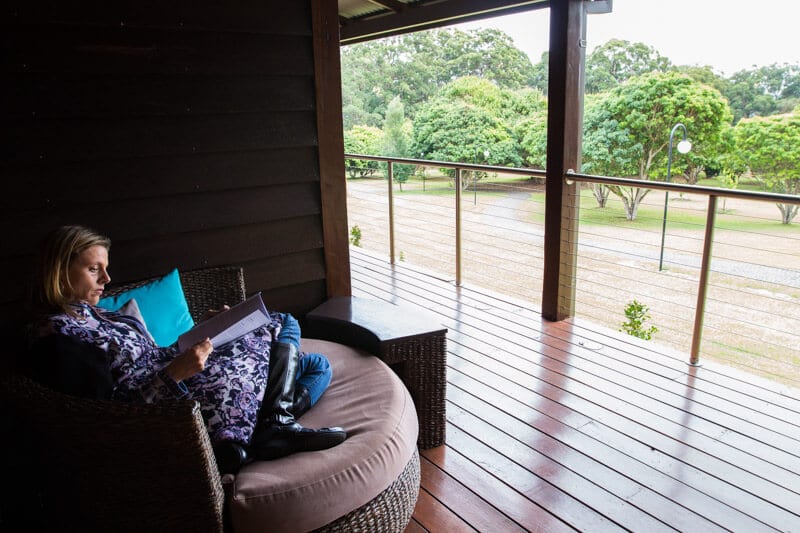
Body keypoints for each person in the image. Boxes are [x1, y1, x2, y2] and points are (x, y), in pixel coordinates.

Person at [25, 225, 346, 474]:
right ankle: (273, 423)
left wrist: (200, 333)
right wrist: (175, 372)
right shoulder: (59, 339)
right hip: (179, 397)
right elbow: (109, 418)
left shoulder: (92, 313)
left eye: (105, 268)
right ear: (59, 271)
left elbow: (146, 356)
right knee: (281, 322)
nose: (107, 279)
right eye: (94, 269)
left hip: (179, 370)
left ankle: (263, 427)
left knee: (317, 365)